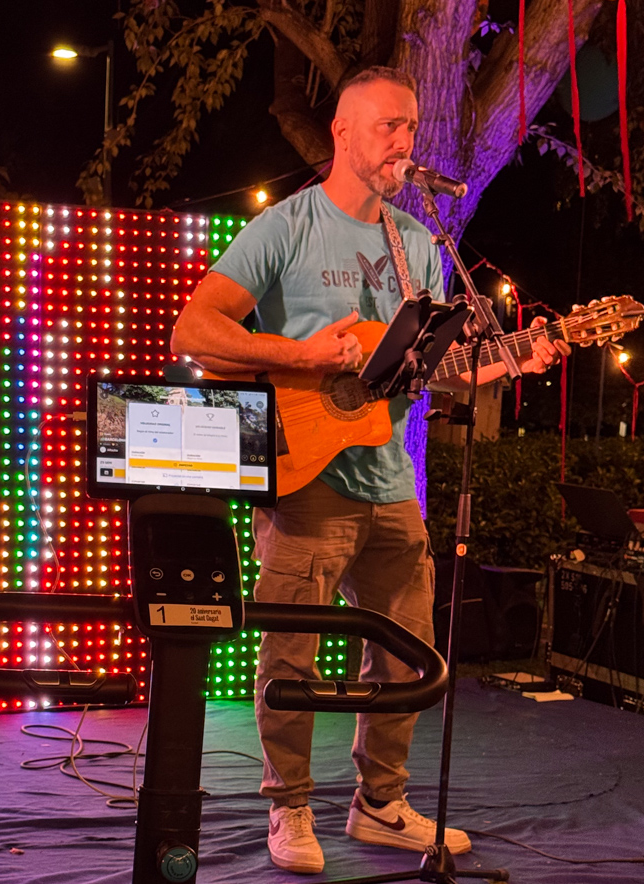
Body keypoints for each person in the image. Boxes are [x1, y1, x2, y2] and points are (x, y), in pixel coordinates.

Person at [170, 66, 570, 875]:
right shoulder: (285, 227)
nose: (405, 141)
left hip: (393, 484)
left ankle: (380, 805)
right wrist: (300, 351)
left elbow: (436, 366)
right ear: (343, 135)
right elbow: (194, 330)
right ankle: (288, 809)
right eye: (389, 125)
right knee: (292, 656)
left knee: (408, 652)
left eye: (412, 127)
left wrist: (513, 359)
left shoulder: (419, 244)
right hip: (307, 477)